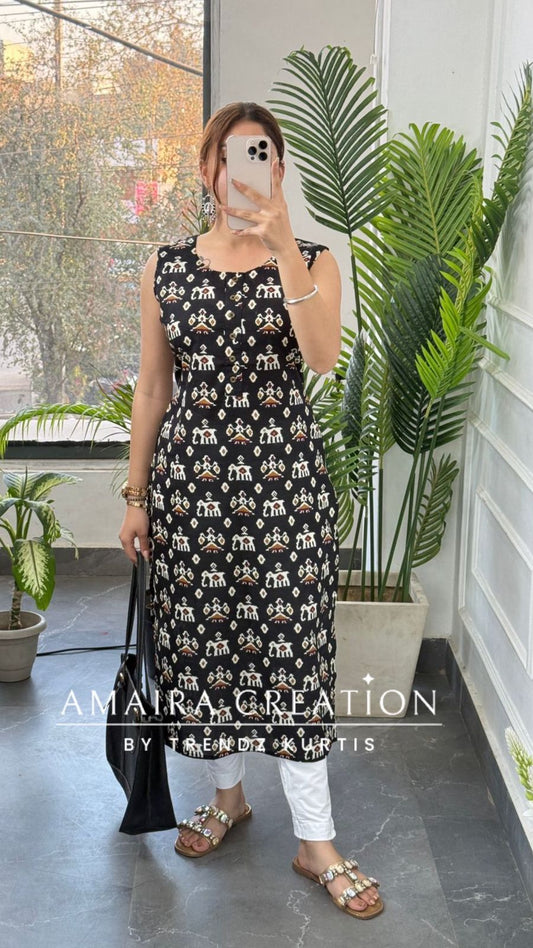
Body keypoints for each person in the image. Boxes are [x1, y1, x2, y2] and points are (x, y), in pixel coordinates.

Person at [118, 101, 384, 921]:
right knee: (208, 648)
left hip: (285, 489)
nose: (242, 169)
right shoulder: (165, 267)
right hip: (191, 492)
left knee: (293, 652)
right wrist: (136, 496)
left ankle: (316, 841)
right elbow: (153, 387)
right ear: (206, 169)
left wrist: (281, 243)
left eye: (260, 154)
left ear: (279, 167)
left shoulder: (313, 260)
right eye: (229, 155)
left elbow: (321, 357)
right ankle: (228, 797)